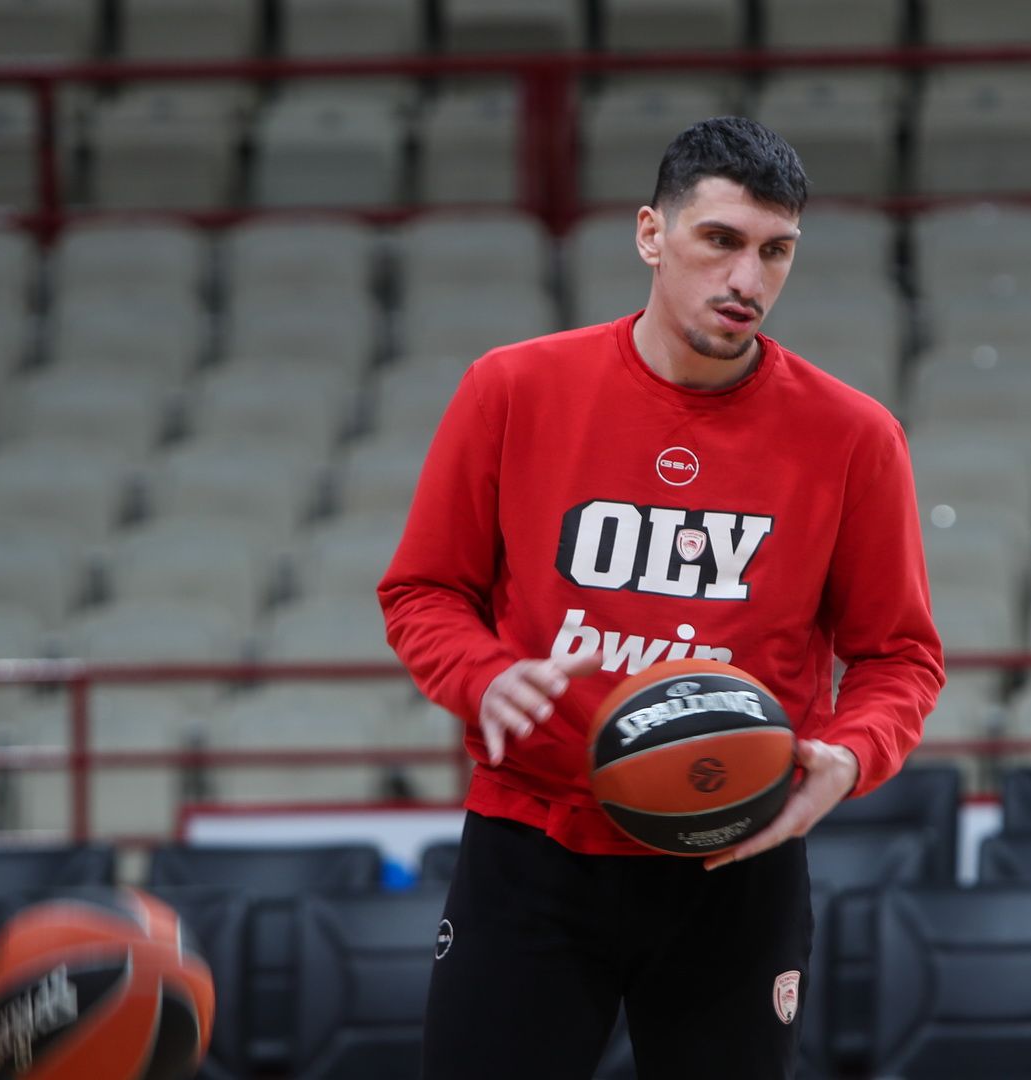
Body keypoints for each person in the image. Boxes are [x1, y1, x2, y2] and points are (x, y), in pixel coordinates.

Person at [377, 115, 944, 1080]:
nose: (746, 279)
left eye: (775, 251)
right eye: (719, 240)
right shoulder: (512, 388)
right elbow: (423, 590)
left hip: (739, 852)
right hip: (535, 842)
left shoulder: (855, 437)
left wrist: (851, 754)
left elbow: (901, 657)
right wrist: (484, 676)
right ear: (651, 234)